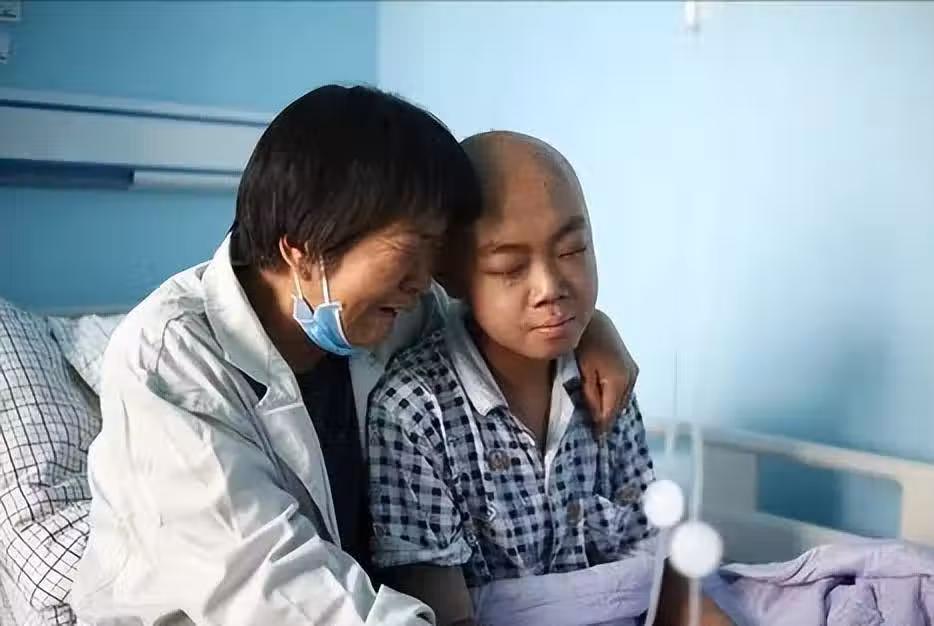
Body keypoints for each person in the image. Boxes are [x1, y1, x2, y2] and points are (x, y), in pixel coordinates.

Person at [69, 87, 640, 626]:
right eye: (413, 250)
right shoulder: (170, 361)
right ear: (304, 250)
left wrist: (592, 329)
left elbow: (496, 317)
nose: (425, 280)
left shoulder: (394, 311)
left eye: (437, 250)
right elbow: (269, 584)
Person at [366, 131, 733, 626]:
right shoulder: (415, 410)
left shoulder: (605, 379)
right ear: (449, 275)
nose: (550, 288)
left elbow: (657, 565)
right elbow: (441, 609)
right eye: (510, 267)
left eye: (572, 251)